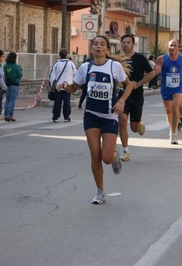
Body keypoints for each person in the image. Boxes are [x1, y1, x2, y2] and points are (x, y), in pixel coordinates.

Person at [56, 35, 132, 204]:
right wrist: (64, 86)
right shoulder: (85, 68)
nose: (98, 47)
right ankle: (100, 191)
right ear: (91, 48)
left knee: (106, 157)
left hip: (109, 116)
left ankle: (114, 156)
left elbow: (129, 85)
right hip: (91, 115)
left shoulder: (115, 66)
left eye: (102, 44)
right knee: (95, 155)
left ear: (107, 49)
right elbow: (73, 88)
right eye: (95, 44)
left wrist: (121, 101)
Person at [118, 33, 156, 161]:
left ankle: (139, 125)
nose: (125, 44)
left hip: (136, 94)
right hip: (122, 94)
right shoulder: (117, 58)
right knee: (122, 120)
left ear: (133, 44)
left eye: (128, 42)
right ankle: (125, 151)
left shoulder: (140, 58)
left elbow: (151, 73)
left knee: (134, 128)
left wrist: (138, 83)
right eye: (123, 42)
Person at [155, 40, 182, 144]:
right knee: (168, 112)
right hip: (166, 87)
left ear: (178, 48)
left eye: (175, 46)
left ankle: (174, 134)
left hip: (178, 87)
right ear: (168, 47)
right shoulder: (161, 59)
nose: (173, 47)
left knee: (175, 108)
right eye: (171, 45)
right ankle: (171, 129)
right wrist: (157, 69)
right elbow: (155, 69)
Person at [49, 48, 77, 122]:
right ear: (66, 55)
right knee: (67, 102)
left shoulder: (56, 64)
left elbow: (52, 76)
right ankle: (66, 117)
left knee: (57, 102)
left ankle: (55, 116)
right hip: (68, 86)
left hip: (58, 86)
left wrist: (52, 86)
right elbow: (75, 74)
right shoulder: (71, 64)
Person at [3, 52, 23, 122]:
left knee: (7, 100)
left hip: (7, 84)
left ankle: (6, 115)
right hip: (15, 84)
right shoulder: (16, 66)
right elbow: (20, 75)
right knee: (12, 100)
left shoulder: (5, 66)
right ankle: (10, 115)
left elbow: (4, 74)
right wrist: (20, 70)